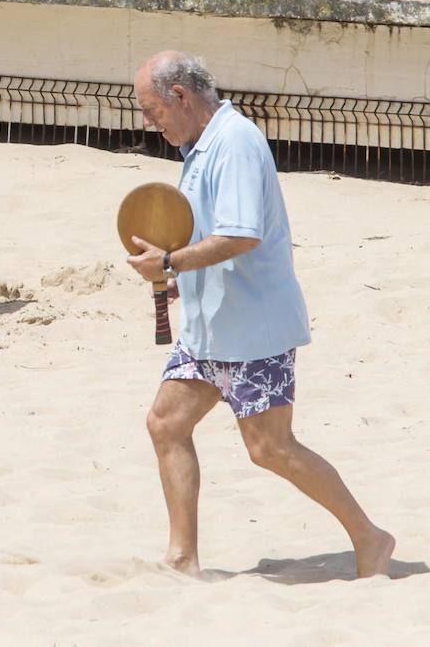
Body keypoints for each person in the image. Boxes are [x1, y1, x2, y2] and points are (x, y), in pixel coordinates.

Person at [126, 50, 394, 578]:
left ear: (180, 97)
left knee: (270, 448)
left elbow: (242, 234)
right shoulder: (201, 146)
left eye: (151, 109)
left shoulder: (236, 143)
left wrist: (170, 261)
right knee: (166, 422)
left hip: (253, 330)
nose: (147, 122)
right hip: (210, 328)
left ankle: (371, 538)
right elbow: (211, 231)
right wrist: (183, 275)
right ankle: (182, 557)